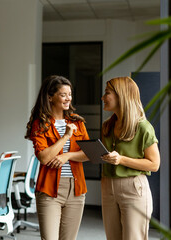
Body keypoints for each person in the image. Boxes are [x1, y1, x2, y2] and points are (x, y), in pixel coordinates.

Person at [25, 75, 89, 240]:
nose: (68, 98)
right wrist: (66, 136)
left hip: (76, 190)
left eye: (70, 94)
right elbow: (44, 157)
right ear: (50, 97)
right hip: (49, 190)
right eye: (63, 94)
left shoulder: (77, 122)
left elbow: (88, 153)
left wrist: (67, 156)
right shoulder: (40, 124)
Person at [100, 76, 160, 240]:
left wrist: (121, 160)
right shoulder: (107, 126)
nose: (103, 97)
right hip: (107, 185)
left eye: (107, 93)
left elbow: (154, 164)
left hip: (133, 187)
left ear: (121, 95)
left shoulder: (143, 127)